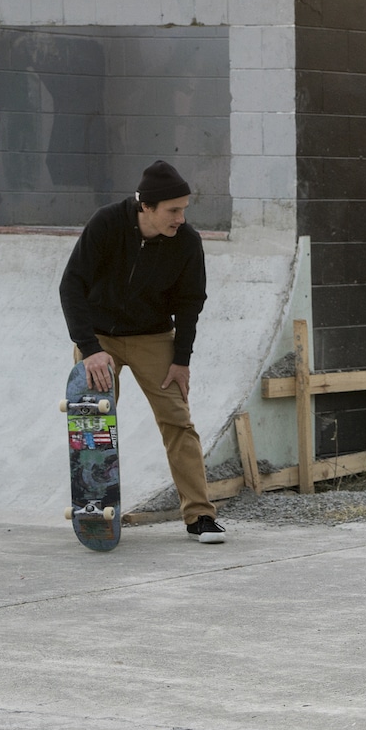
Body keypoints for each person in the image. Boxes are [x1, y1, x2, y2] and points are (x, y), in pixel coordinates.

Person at [58, 160, 225, 543]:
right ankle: (95, 508)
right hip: (100, 340)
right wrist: (89, 350)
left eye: (185, 209)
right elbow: (72, 286)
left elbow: (189, 303)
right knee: (93, 423)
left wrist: (181, 360)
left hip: (154, 338)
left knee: (177, 421)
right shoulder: (107, 224)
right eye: (174, 210)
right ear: (145, 207)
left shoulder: (186, 242)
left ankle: (199, 516)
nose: (181, 218)